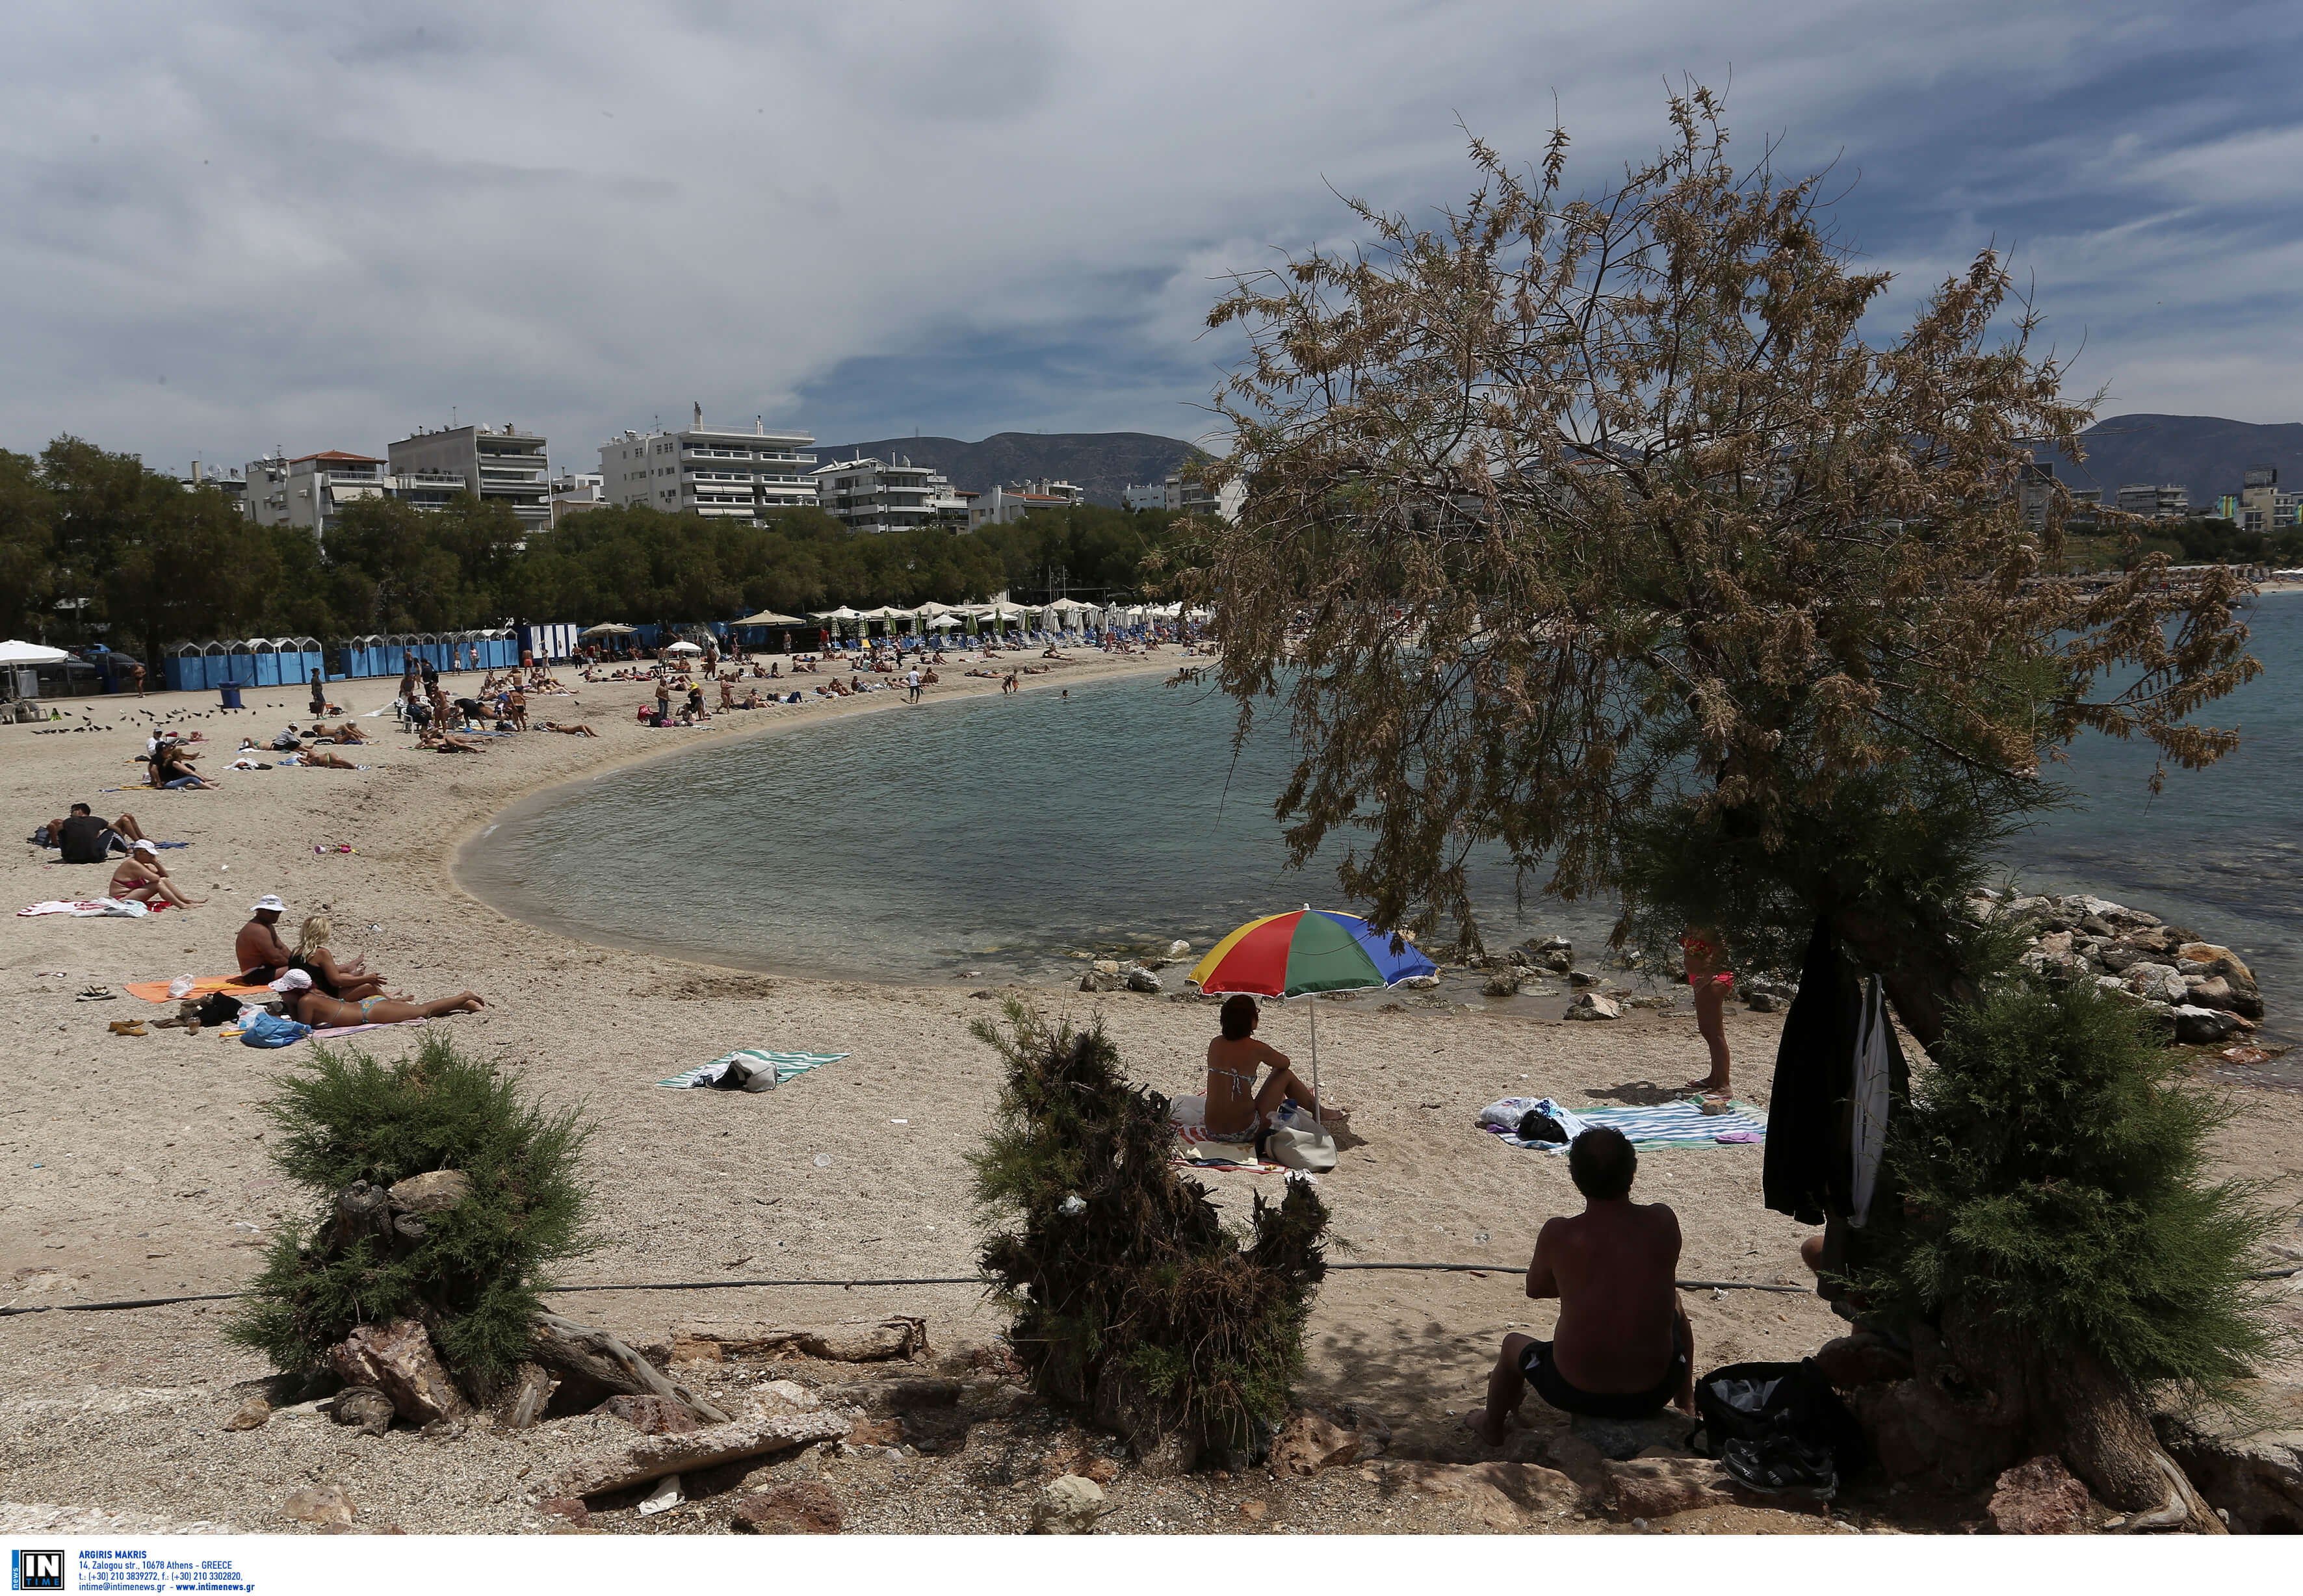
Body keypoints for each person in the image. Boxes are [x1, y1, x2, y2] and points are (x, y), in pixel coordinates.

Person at [1463, 1126, 1694, 1441]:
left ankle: (1492, 1425)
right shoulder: (1663, 1220)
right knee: (1676, 1304)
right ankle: (1686, 1401)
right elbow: (1649, 1277)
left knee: (1510, 1346)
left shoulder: (1560, 1234)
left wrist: (1580, 1283)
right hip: (1656, 1389)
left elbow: (1536, 1288)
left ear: (1575, 1177)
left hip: (1575, 1390)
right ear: (1632, 1171)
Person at [1203, 995, 1335, 1137]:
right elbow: (1285, 1063)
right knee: (1285, 1074)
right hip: (1244, 1130)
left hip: (1213, 1130)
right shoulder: (1257, 1049)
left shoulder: (1215, 1044)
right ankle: (1319, 1112)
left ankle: (1311, 1107)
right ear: (1251, 1020)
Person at [270, 967, 484, 1027]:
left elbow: (300, 1028)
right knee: (419, 1009)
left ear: (293, 991)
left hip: (370, 1012)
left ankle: (463, 996)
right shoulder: (312, 994)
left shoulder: (306, 1002)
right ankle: (465, 1004)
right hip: (367, 1005)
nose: (281, 993)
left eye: (283, 991)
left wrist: (282, 1013)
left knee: (421, 1010)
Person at [287, 914, 388, 1001]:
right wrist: (367, 978)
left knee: (347, 976)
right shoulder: (321, 953)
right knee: (369, 987)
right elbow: (336, 981)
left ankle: (387, 996)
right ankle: (391, 1001)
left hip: (303, 994)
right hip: (324, 997)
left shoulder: (295, 952)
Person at [1682, 925, 1733, 1092]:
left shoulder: (1709, 919)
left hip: (1712, 979)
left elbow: (1723, 948)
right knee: (1708, 1031)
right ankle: (1714, 1078)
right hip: (1702, 977)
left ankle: (1723, 1086)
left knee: (1714, 1033)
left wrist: (1709, 974)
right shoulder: (1694, 917)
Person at [108, 839, 205, 907]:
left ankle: (186, 900)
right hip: (121, 899)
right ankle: (181, 905)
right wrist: (153, 863)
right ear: (139, 853)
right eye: (149, 855)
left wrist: (155, 863)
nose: (151, 857)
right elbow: (155, 879)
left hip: (131, 895)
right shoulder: (132, 864)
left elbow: (164, 876)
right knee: (157, 884)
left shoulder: (141, 864)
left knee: (163, 880)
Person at [44, 803, 146, 862]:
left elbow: (57, 830)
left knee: (62, 831)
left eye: (72, 812)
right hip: (95, 856)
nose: (71, 814)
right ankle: (128, 850)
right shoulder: (96, 820)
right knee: (113, 831)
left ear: (79, 811)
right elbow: (116, 829)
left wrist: (56, 841)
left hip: (70, 858)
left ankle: (136, 843)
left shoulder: (68, 822)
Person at [237, 894, 296, 979]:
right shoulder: (258, 929)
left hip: (266, 968)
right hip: (254, 974)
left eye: (278, 912)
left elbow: (282, 948)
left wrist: (297, 961)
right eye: (271, 912)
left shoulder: (267, 925)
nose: (276, 915)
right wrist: (298, 965)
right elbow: (275, 959)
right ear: (260, 911)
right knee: (303, 971)